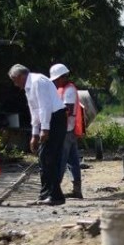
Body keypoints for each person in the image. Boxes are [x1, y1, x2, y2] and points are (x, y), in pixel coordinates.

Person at [8, 64, 67, 205]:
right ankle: (45, 193)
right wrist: (34, 134)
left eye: (15, 80)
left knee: (49, 158)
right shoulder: (29, 87)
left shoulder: (37, 81)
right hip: (48, 120)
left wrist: (45, 129)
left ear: (21, 76)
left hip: (55, 119)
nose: (15, 84)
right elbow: (34, 110)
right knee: (43, 158)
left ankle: (56, 196)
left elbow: (45, 106)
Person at [49, 63, 83, 199]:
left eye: (57, 79)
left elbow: (67, 109)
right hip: (69, 130)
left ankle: (55, 190)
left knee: (61, 160)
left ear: (63, 77)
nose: (56, 82)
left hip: (66, 130)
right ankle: (77, 190)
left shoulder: (68, 90)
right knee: (73, 160)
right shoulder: (63, 88)